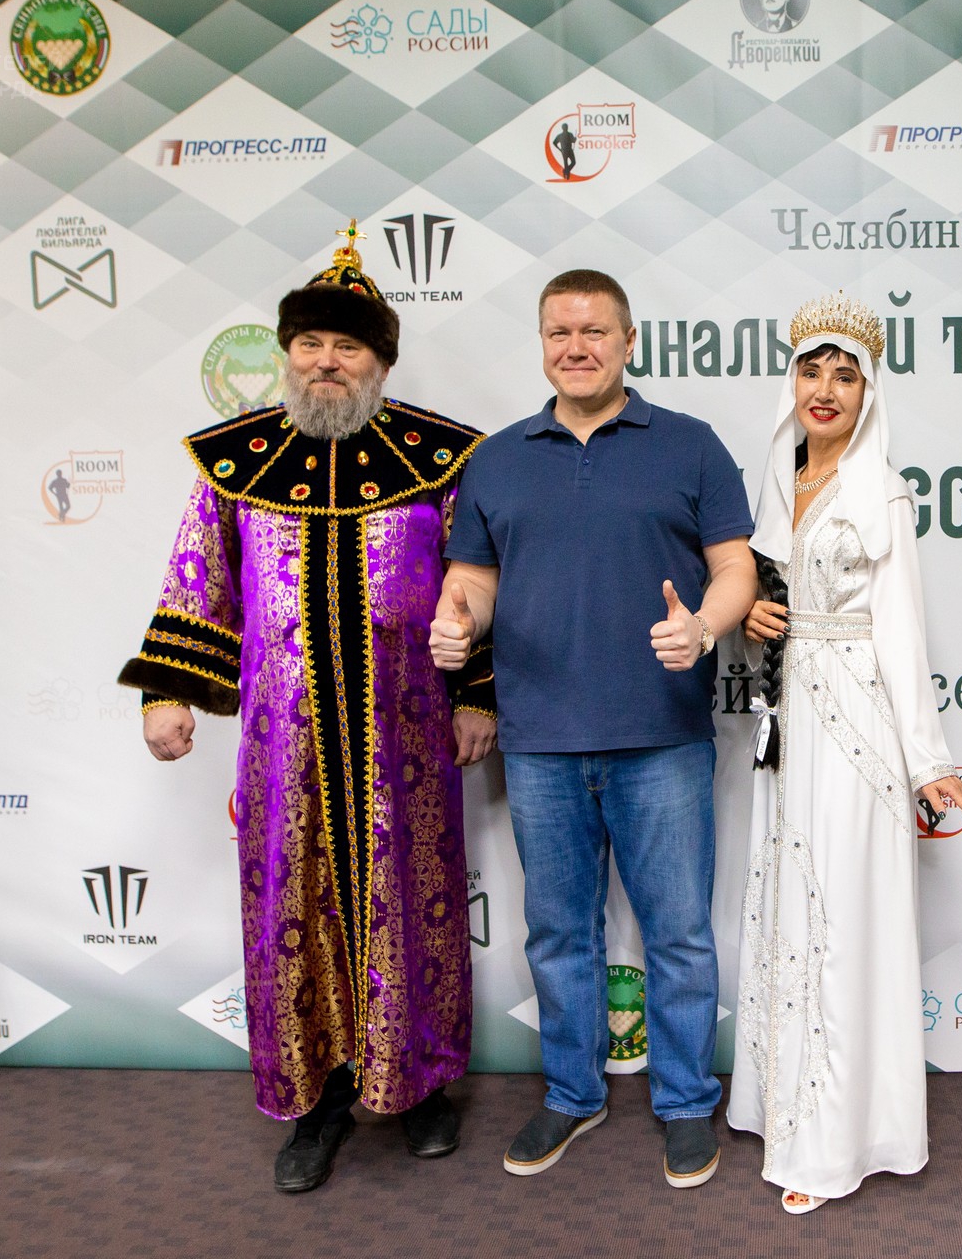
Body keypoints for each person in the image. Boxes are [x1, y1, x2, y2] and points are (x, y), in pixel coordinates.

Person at [119, 222, 496, 1194]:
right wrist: (167, 691)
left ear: (381, 361)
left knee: (412, 903)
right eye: (311, 344)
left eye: (349, 346)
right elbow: (197, 581)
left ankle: (419, 1086)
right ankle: (319, 1100)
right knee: (294, 909)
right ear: (287, 354)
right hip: (281, 751)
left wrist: (477, 697)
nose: (327, 360)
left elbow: (475, 585)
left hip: (407, 741)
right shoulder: (235, 463)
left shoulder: (438, 461)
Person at [430, 269, 756, 1190]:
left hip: (662, 735)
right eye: (558, 332)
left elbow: (735, 568)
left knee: (679, 934)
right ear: (542, 343)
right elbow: (475, 580)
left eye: (594, 331)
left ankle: (685, 1103)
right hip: (539, 739)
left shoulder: (690, 444)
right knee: (557, 933)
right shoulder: (497, 458)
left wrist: (704, 628)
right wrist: (460, 622)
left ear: (628, 341)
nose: (576, 347)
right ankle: (572, 1095)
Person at [728, 292, 962, 1215]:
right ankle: (784, 1107)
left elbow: (902, 635)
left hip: (854, 727)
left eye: (846, 375)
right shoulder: (778, 479)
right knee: (790, 910)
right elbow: (766, 592)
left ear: (868, 393)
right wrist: (755, 618)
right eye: (812, 370)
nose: (826, 389)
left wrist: (929, 762)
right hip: (787, 722)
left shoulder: (883, 490)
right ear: (792, 381)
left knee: (838, 921)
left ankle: (831, 1146)